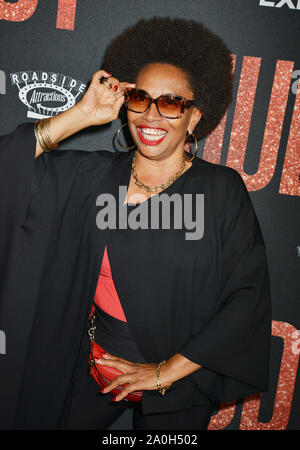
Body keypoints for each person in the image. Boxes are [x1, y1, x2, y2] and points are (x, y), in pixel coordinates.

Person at [0, 16, 272, 430]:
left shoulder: (220, 190)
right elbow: (9, 170)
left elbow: (246, 298)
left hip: (179, 379)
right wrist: (80, 115)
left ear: (194, 117)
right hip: (88, 368)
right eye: (140, 98)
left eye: (171, 103)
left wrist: (162, 373)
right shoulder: (89, 178)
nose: (151, 116)